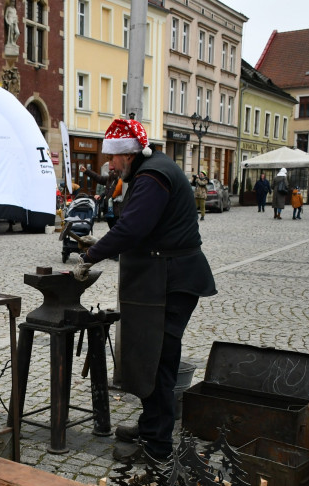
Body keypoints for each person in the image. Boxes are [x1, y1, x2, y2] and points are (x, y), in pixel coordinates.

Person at [72, 117, 216, 464]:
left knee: (159, 360)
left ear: (128, 154)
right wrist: (104, 240)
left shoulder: (151, 176)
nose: (109, 164)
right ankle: (152, 424)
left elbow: (134, 228)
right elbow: (139, 225)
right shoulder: (151, 169)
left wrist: (92, 255)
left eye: (112, 157)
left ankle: (157, 445)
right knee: (153, 356)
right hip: (166, 277)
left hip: (172, 280)